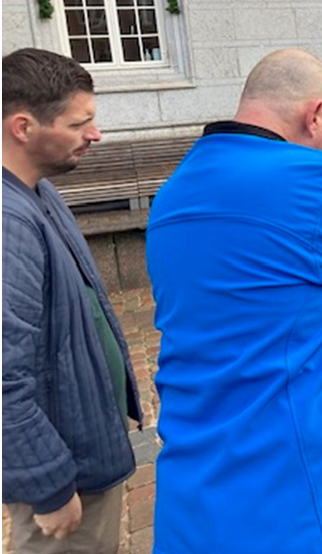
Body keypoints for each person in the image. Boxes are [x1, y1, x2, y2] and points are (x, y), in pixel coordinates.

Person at [145, 49, 322, 554]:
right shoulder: (319, 182)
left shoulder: (172, 194)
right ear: (314, 115)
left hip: (201, 493)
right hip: (305, 500)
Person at [2, 48, 143, 554]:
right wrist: (48, 483)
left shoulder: (39, 192)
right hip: (64, 471)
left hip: (83, 445)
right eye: (80, 122)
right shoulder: (8, 222)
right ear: (23, 126)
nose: (95, 133)